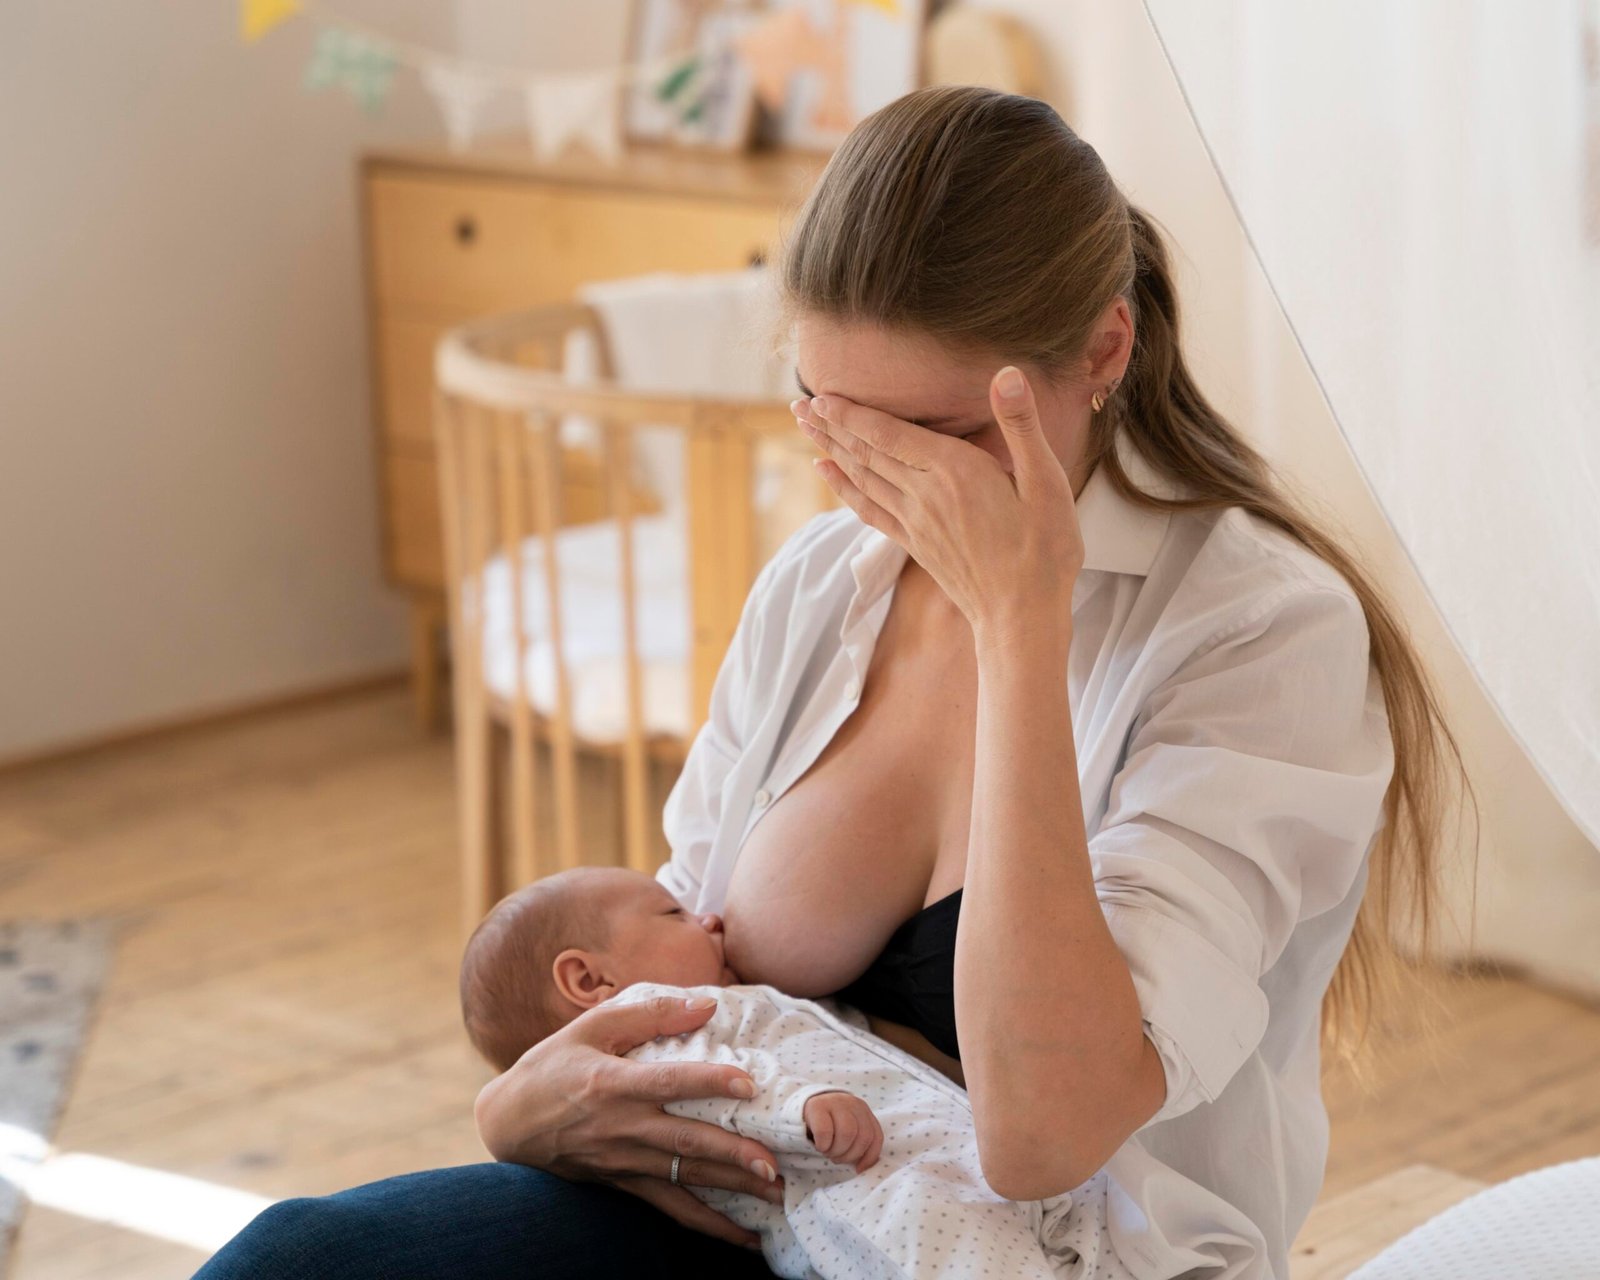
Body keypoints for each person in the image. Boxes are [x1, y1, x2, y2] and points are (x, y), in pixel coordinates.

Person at [195, 84, 1468, 1280]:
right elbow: (681, 967)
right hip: (773, 1205)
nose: (878, 485)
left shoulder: (1260, 631)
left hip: (1041, 1251)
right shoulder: (825, 579)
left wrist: (1018, 621)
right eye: (830, 418)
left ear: (1103, 352)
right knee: (293, 1257)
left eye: (943, 438)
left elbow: (1044, 1134)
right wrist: (519, 1104)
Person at [455, 864, 1147, 1279]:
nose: (711, 916)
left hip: (935, 1156)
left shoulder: (717, 1002)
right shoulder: (649, 1030)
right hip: (862, 1194)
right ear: (589, 980)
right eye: (673, 912)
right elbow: (716, 1089)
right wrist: (799, 1111)